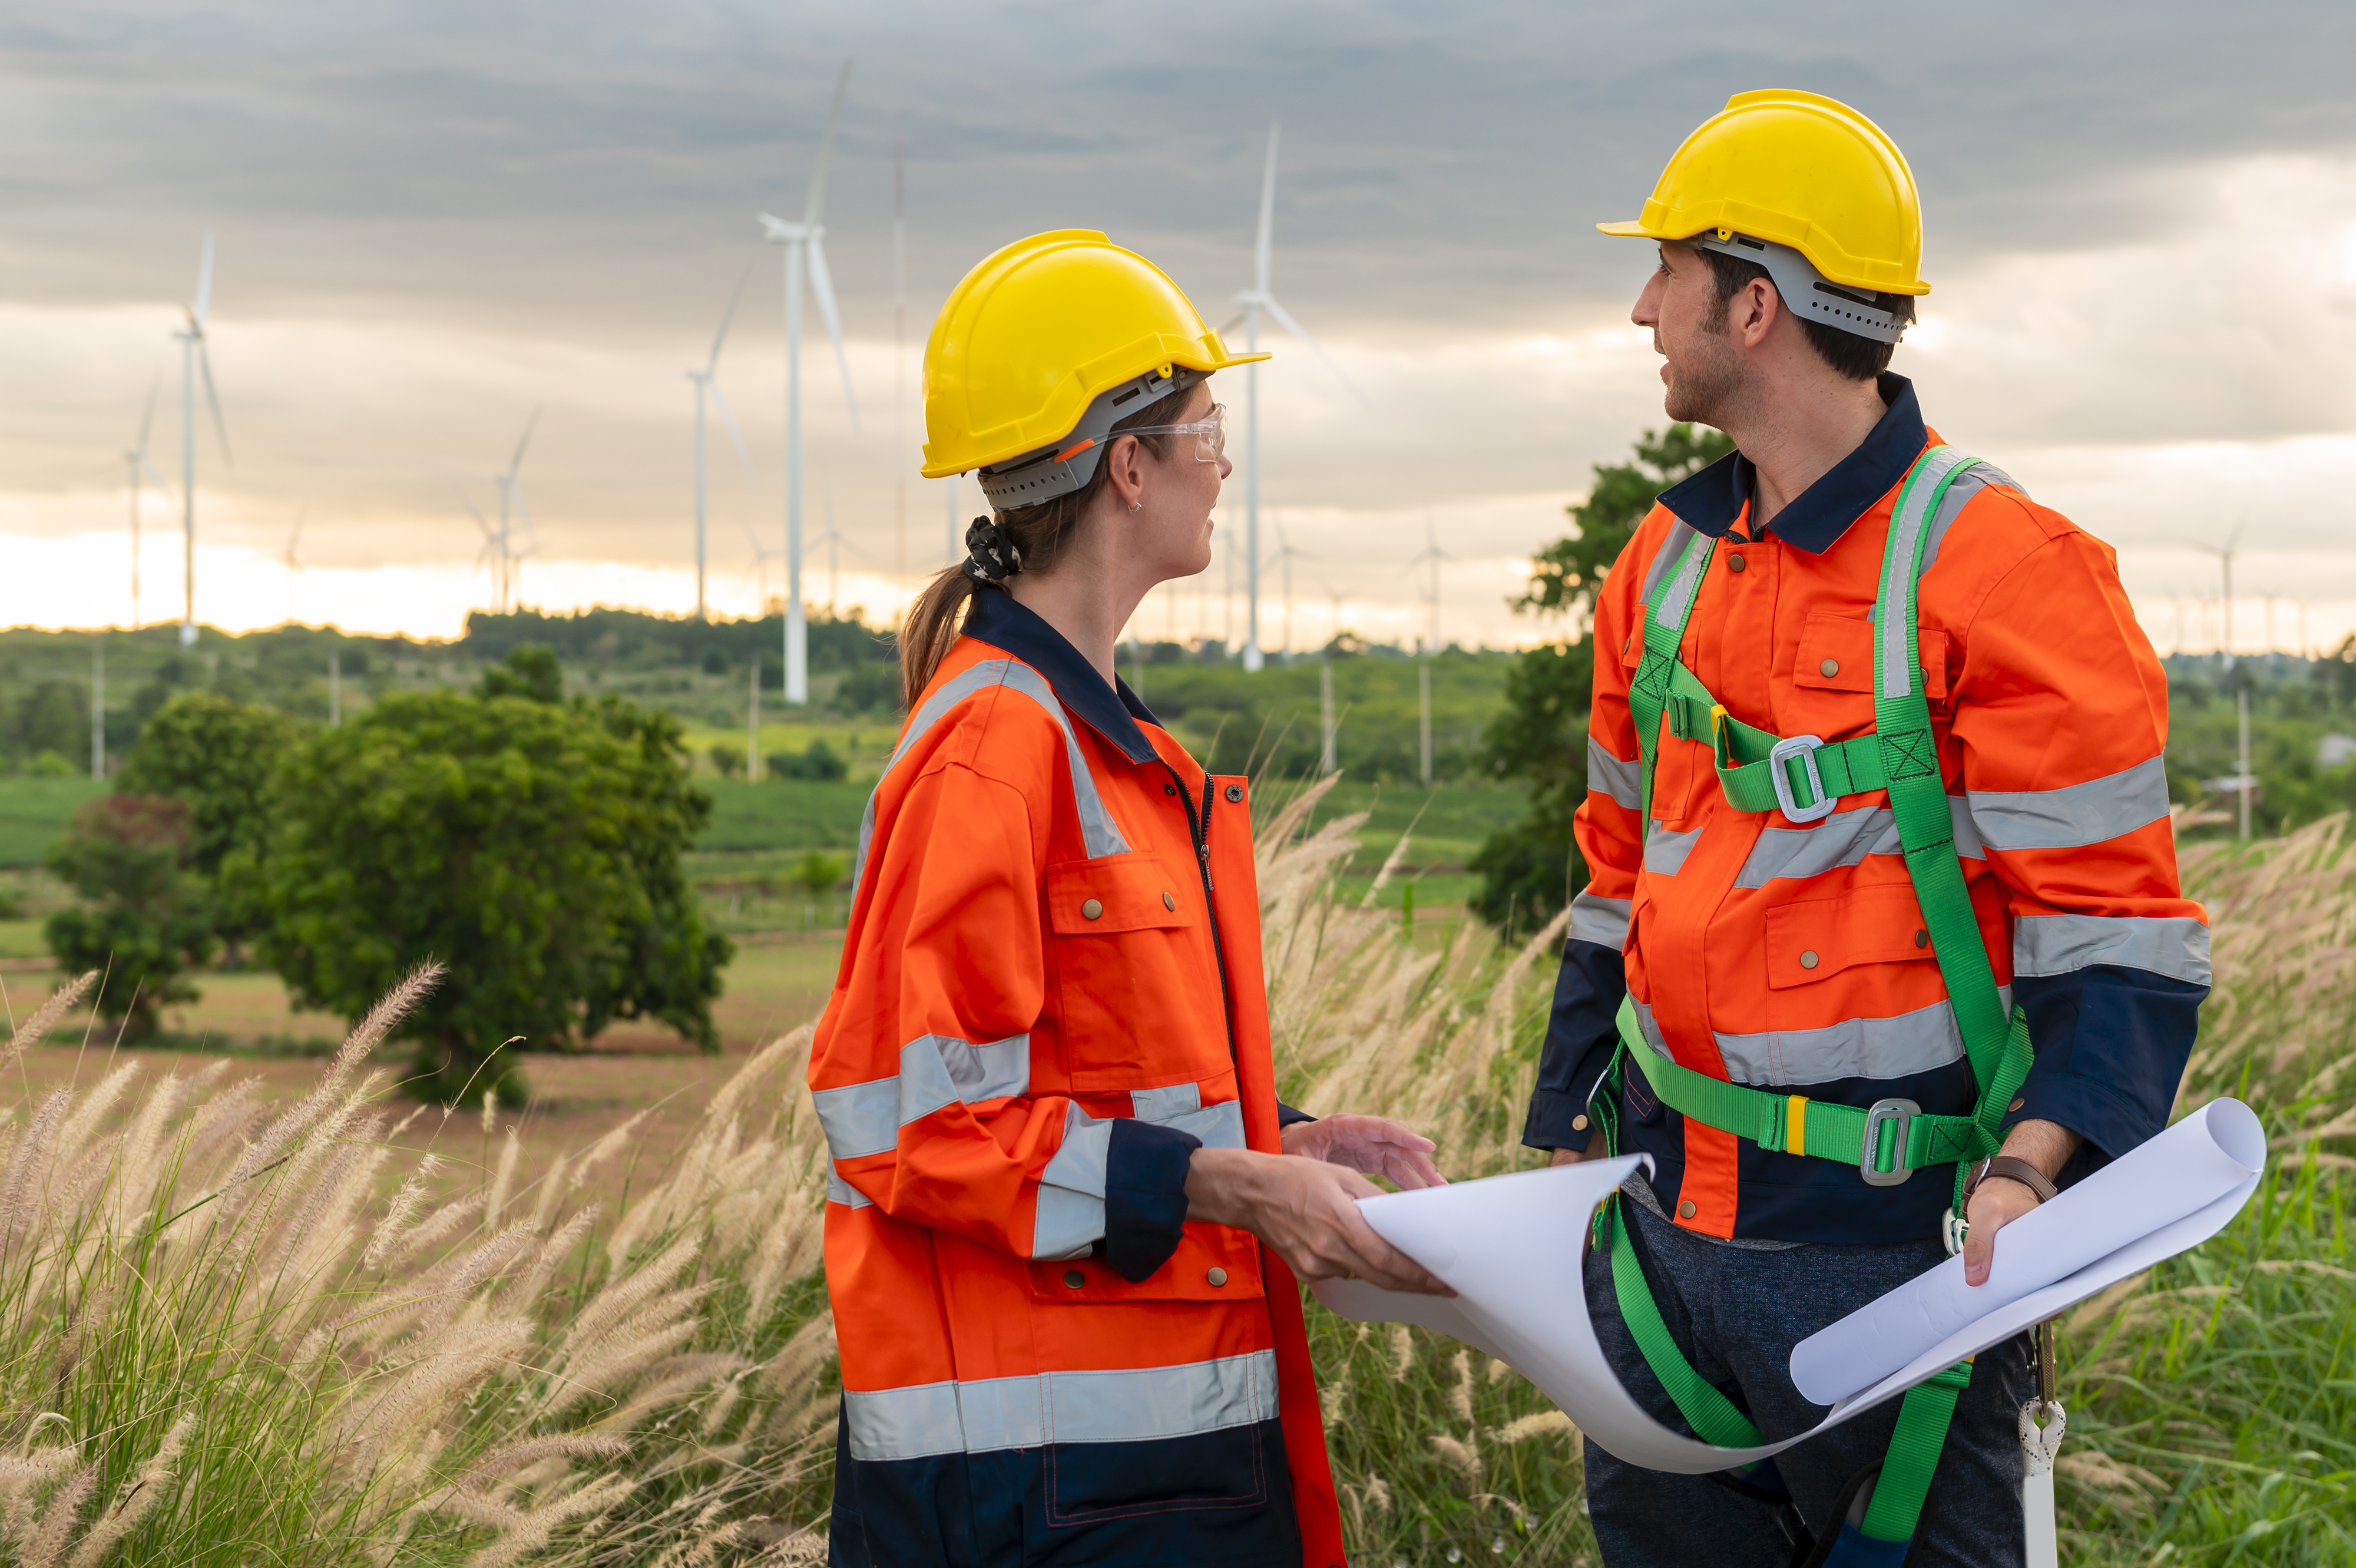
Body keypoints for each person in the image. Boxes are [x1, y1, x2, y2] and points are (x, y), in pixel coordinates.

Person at [1525, 92, 2209, 1566]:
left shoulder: (2010, 570)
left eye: (1666, 273)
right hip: (1649, 1250)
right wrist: (1557, 1144)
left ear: (1753, 304)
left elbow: (2119, 937)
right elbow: (1614, 873)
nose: (1641, 306)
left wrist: (2030, 1178)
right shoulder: (1656, 563)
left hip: (1902, 1275)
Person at [811, 229, 1451, 1568]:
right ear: (1126, 465)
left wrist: (1290, 1145)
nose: (1222, 465)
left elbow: (1100, 1082)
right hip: (1041, 1481)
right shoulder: (995, 752)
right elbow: (921, 1119)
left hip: (1146, 1452)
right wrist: (1229, 1183)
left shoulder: (1100, 747)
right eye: (1208, 431)